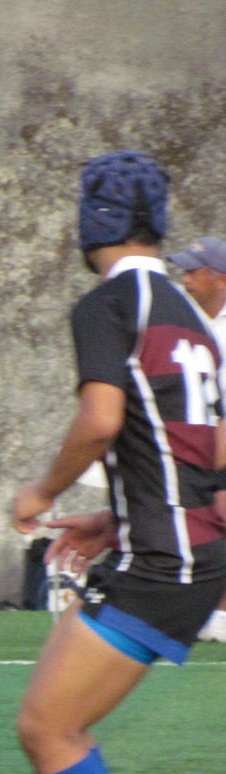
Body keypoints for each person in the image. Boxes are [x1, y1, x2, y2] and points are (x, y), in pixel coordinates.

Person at [1, 152, 226, 774]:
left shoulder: (108, 303)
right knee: (50, 719)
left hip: (165, 561)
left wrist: (41, 492)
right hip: (178, 547)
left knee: (48, 726)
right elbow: (203, 450)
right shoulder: (190, 312)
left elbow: (101, 421)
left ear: (90, 221)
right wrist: (117, 515)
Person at [164, 235, 226, 642]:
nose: (185, 280)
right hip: (195, 435)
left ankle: (220, 611)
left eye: (194, 272)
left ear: (220, 278)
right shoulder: (181, 319)